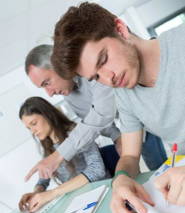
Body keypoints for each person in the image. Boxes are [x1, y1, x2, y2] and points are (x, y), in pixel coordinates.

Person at [51, 2, 185, 213]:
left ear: (121, 29)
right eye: (96, 77)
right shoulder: (124, 95)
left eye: (103, 60)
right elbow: (131, 155)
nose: (108, 79)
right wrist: (121, 179)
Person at [24, 44, 167, 180]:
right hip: (134, 126)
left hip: (152, 112)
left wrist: (58, 155)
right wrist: (117, 137)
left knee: (170, 164)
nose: (49, 94)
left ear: (59, 65)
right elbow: (93, 121)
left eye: (47, 83)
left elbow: (101, 113)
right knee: (158, 172)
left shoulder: (90, 70)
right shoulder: (68, 95)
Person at [18, 96, 108, 213]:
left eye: (34, 123)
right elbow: (43, 180)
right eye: (29, 128)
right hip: (78, 199)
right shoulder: (47, 145)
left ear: (47, 115)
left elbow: (97, 170)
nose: (33, 131)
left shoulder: (77, 134)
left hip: (100, 192)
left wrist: (53, 193)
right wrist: (36, 194)